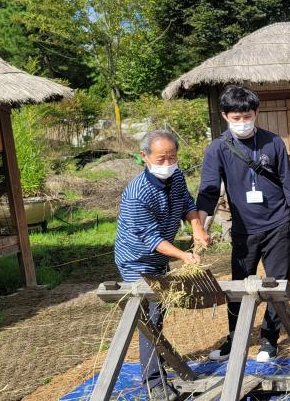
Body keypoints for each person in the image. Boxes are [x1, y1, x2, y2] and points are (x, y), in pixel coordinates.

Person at [197, 86, 290, 363]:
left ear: (256, 113)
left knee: (276, 285)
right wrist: (200, 227)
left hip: (278, 223)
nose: (242, 122)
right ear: (225, 116)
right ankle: (236, 338)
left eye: (247, 116)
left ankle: (269, 340)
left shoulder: (273, 142)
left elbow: (289, 184)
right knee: (238, 287)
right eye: (236, 118)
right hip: (244, 230)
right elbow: (208, 191)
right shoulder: (218, 149)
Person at [114, 130, 209, 401]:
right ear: (144, 157)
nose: (168, 164)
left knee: (159, 314)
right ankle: (155, 384)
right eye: (161, 159)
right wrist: (184, 256)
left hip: (160, 259)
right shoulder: (137, 194)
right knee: (149, 320)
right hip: (136, 261)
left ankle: (158, 363)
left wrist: (197, 227)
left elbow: (187, 203)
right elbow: (151, 239)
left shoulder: (176, 177)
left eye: (172, 157)